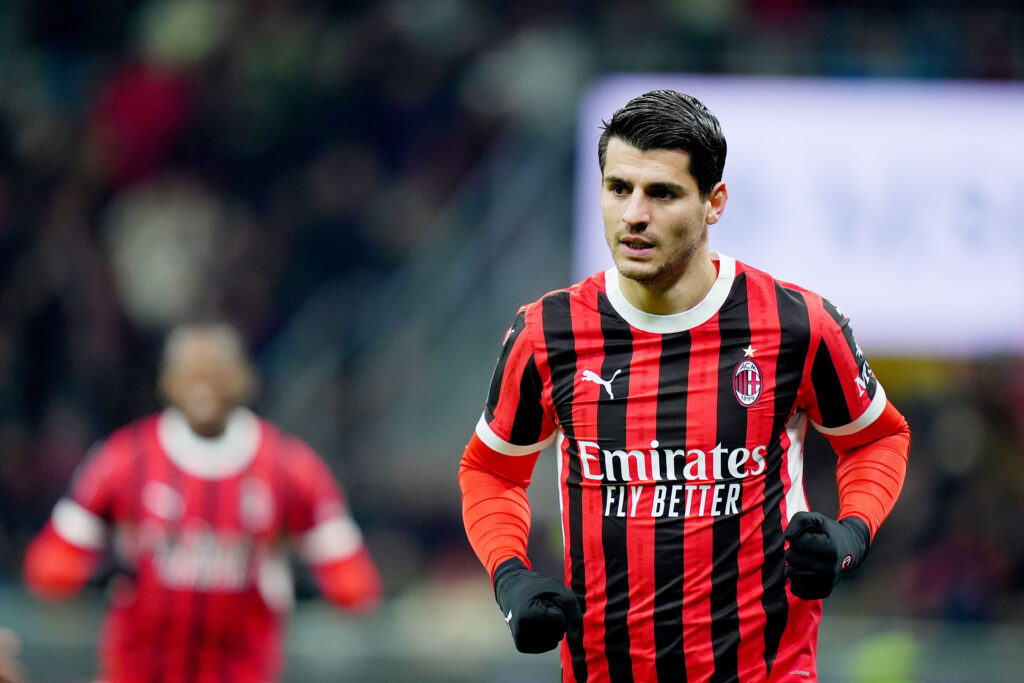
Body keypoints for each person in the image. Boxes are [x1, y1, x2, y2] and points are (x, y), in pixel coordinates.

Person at [459, 90, 911, 682]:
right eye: (618, 188)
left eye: (662, 193)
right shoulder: (547, 333)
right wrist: (509, 574)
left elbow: (877, 438)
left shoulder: (798, 324)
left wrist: (850, 532)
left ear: (713, 202)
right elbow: (491, 470)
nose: (633, 215)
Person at [24, 323, 382, 683]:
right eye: (191, 372)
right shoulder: (124, 460)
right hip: (137, 672)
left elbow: (351, 579)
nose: (203, 385)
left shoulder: (288, 467)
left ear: (244, 379)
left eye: (216, 373)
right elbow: (54, 565)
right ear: (167, 381)